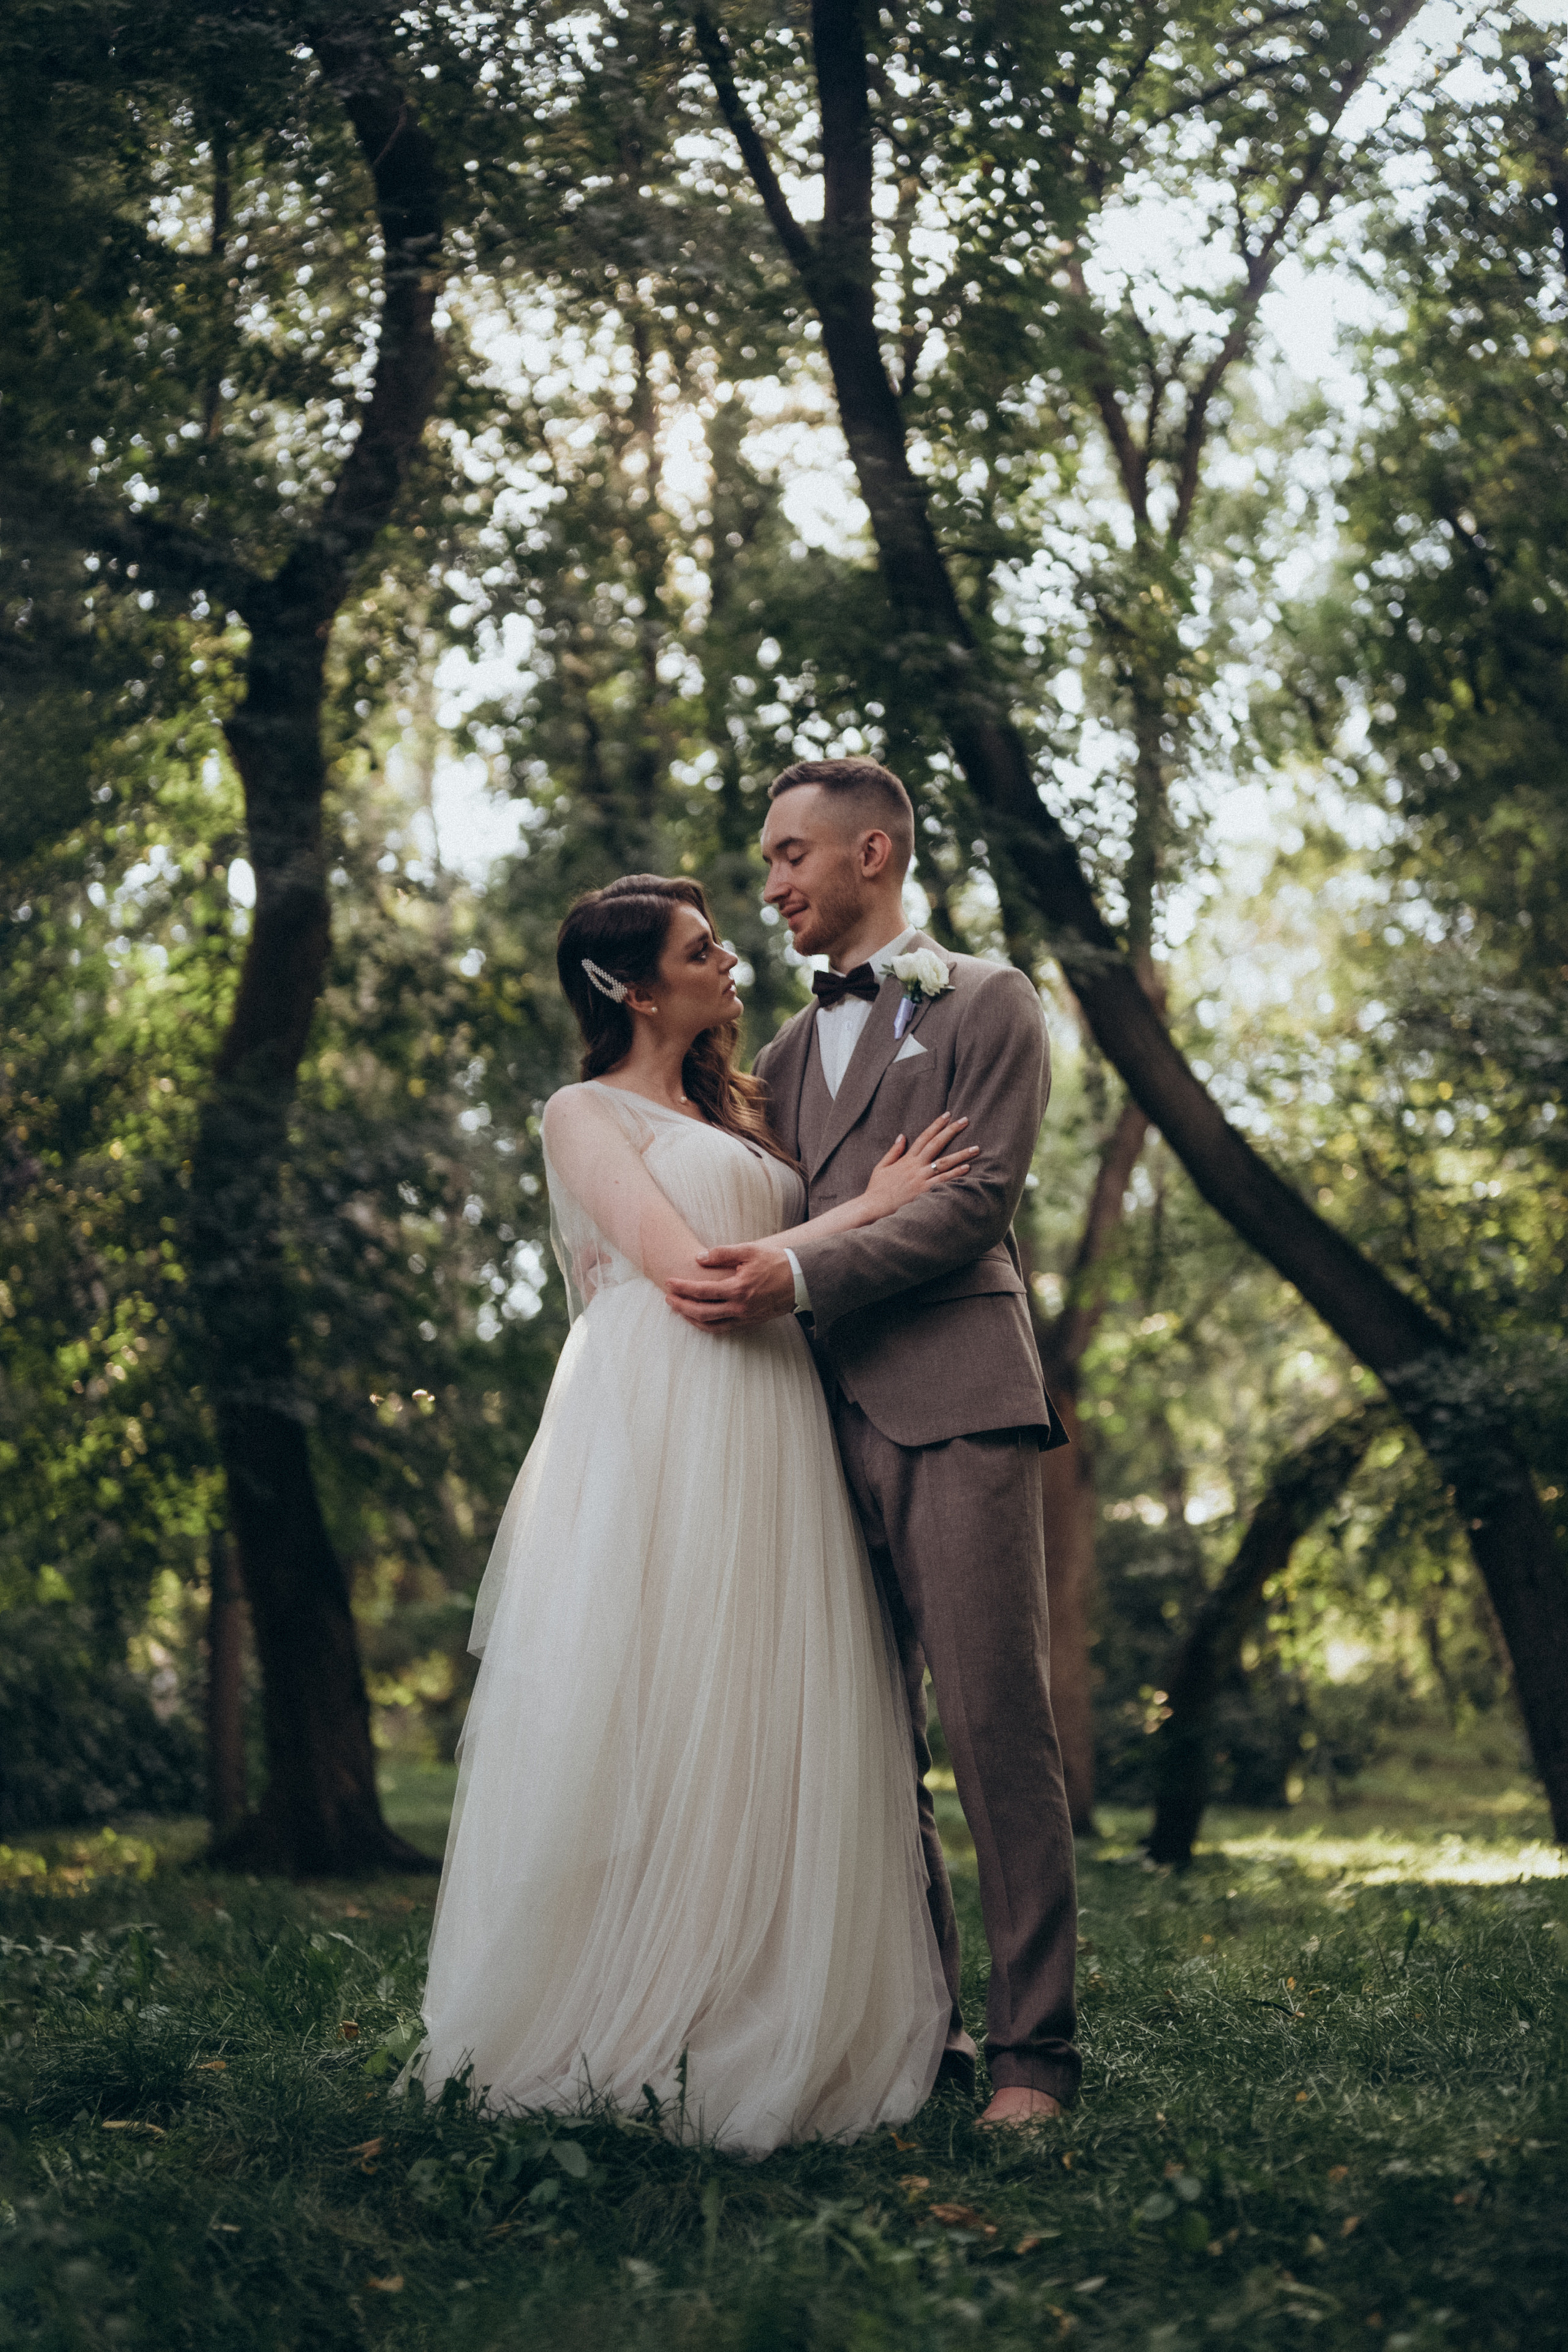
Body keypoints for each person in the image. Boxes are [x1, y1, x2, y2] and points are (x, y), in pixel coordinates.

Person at [412, 873, 982, 2155]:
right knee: (663, 1688)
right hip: (663, 1415)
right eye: (699, 947)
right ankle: (627, 1999)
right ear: (629, 985)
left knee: (775, 1695)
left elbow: (767, 1267)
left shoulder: (744, 1105)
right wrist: (876, 1207)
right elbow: (693, 1276)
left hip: (778, 1412)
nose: (731, 960)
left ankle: (774, 1987)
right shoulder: (580, 1113)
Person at [666, 758, 1081, 2125]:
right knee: (862, 1745)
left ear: (875, 852)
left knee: (990, 1728)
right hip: (804, 1427)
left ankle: (1033, 2058)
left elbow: (969, 1204)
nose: (770, 884)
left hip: (954, 1401)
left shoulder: (987, 1000)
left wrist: (790, 1281)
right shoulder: (779, 1058)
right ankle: (924, 2039)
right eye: (767, 860)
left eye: (791, 856)